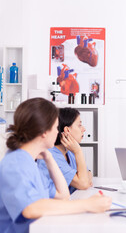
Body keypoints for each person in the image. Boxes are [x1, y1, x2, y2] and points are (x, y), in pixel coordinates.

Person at [0, 98, 111, 233]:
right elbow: (30, 209)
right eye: (56, 127)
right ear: (44, 132)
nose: (57, 132)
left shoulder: (34, 160)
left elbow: (63, 195)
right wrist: (87, 205)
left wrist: (49, 158)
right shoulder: (15, 162)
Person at [37, 107, 92, 194]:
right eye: (79, 125)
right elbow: (84, 184)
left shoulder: (69, 152)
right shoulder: (50, 155)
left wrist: (85, 177)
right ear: (67, 130)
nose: (84, 129)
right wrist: (78, 151)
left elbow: (88, 174)